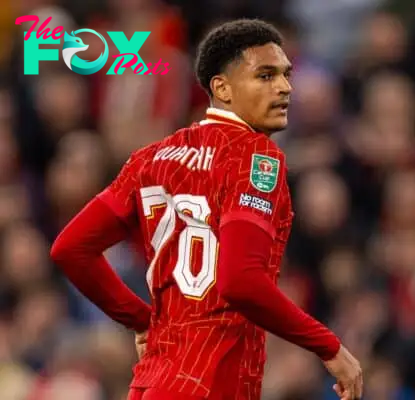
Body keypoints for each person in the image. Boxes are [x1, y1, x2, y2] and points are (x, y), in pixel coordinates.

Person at [50, 19, 363, 400]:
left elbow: (70, 249)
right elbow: (240, 281)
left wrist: (143, 322)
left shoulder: (150, 159)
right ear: (222, 88)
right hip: (211, 380)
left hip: (153, 381)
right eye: (265, 76)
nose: (284, 87)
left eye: (285, 74)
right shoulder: (256, 157)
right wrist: (329, 346)